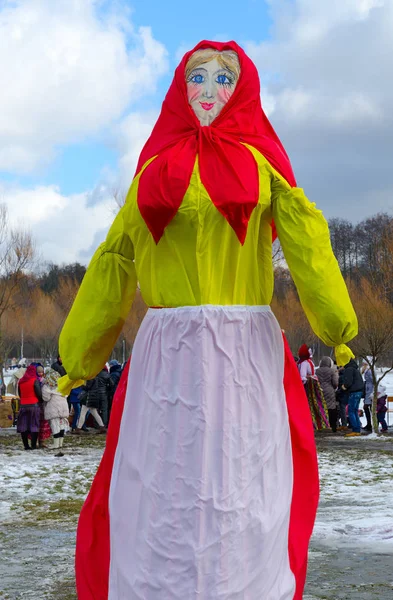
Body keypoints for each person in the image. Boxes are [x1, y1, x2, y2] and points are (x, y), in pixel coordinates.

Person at [58, 41, 357, 600]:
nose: (209, 91)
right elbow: (114, 262)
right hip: (166, 362)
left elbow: (307, 245)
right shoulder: (150, 172)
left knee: (241, 489)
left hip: (242, 356)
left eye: (225, 80)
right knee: (161, 492)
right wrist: (78, 356)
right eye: (197, 77)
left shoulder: (265, 169)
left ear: (243, 92)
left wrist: (337, 328)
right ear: (178, 89)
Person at [42, 368, 69, 457]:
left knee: (55, 425)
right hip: (63, 405)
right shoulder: (62, 384)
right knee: (62, 424)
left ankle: (55, 444)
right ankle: (60, 443)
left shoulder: (47, 386)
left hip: (53, 407)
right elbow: (67, 394)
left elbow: (46, 398)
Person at [16, 364, 41, 450]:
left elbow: (20, 394)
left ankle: (26, 446)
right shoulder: (35, 380)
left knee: (24, 426)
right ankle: (33, 445)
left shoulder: (21, 381)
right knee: (34, 425)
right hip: (34, 405)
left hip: (23, 406)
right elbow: (38, 393)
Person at [341, 351, 364, 437]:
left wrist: (344, 386)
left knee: (351, 411)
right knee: (355, 410)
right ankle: (357, 429)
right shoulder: (354, 368)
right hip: (359, 391)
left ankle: (355, 429)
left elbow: (348, 382)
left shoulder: (349, 369)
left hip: (353, 392)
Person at [316, 357, 339, 432]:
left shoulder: (317, 371)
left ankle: (321, 425)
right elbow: (335, 382)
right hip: (329, 391)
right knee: (331, 408)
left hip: (319, 390)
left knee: (321, 407)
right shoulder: (332, 371)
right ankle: (333, 426)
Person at [35, 363, 52, 449]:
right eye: (39, 372)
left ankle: (42, 441)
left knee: (44, 424)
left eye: (42, 372)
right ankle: (37, 441)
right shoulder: (36, 380)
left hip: (43, 405)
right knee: (38, 423)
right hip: (38, 404)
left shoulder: (45, 380)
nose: (40, 373)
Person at [362, 361, 373, 432]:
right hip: (368, 390)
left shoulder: (369, 370)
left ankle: (370, 424)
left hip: (370, 391)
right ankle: (369, 424)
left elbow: (372, 380)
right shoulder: (367, 370)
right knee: (367, 408)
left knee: (367, 407)